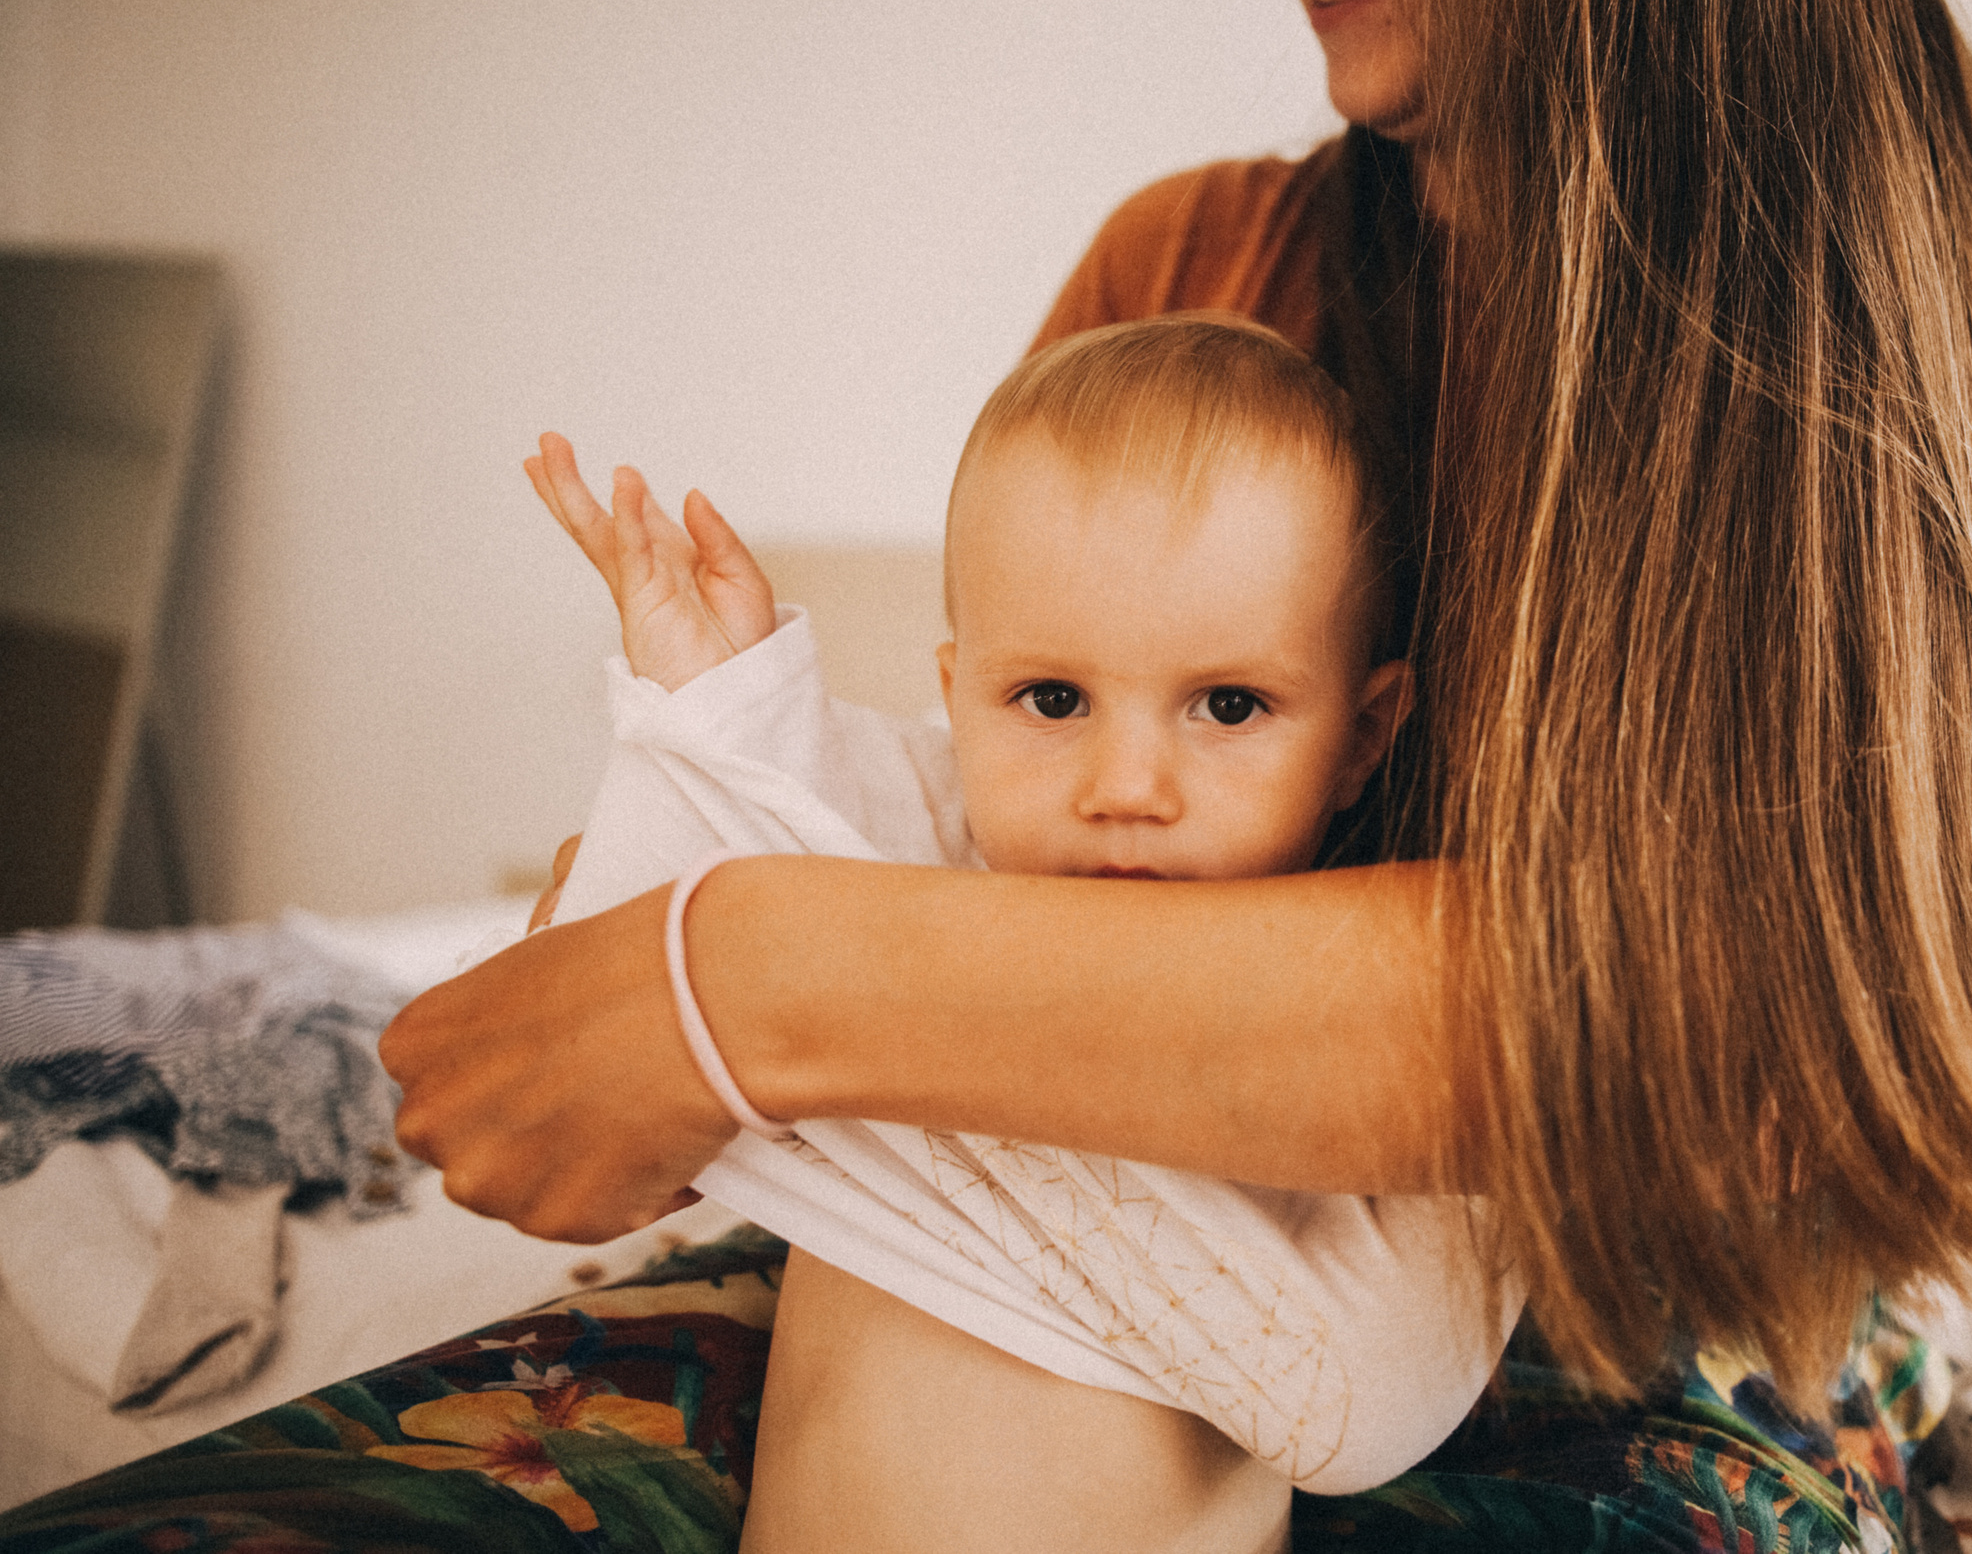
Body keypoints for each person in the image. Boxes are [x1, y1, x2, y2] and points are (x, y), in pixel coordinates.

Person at [384, 0, 1972, 1548]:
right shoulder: (1196, 284)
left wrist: (737, 976)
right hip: (1108, 1223)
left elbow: (1737, 1022)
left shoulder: (1859, 348)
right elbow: (990, 866)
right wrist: (686, 878)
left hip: (1681, 1288)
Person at [519, 317, 1515, 1552]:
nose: (1127, 784)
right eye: (1052, 699)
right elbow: (742, 847)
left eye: (1230, 705)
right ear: (956, 695)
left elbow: (1374, 1384)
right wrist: (715, 702)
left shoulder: (1340, 1005)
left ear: (1365, 734)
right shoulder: (923, 870)